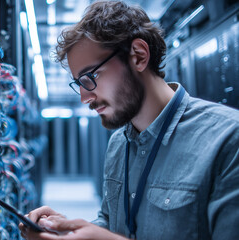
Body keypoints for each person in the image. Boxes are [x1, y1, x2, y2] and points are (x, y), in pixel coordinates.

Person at [19, 1, 239, 239]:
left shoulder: (228, 140)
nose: (84, 97)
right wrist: (69, 229)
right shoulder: (118, 144)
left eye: (90, 77)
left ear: (138, 56)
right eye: (78, 84)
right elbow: (113, 223)